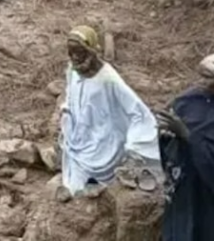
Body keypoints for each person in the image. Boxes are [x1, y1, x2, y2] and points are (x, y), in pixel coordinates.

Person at [59, 25, 160, 196]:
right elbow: (71, 94)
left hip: (104, 142)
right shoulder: (74, 71)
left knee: (87, 179)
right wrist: (67, 110)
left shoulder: (108, 79)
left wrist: (134, 145)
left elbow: (137, 112)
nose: (75, 57)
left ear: (90, 51)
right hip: (80, 137)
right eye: (71, 52)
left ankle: (100, 181)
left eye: (79, 52)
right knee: (74, 185)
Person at [156, 54, 214, 241]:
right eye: (200, 75)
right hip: (183, 186)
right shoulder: (187, 100)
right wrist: (165, 137)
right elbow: (169, 144)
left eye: (208, 77)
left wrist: (187, 135)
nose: (201, 82)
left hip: (207, 196)